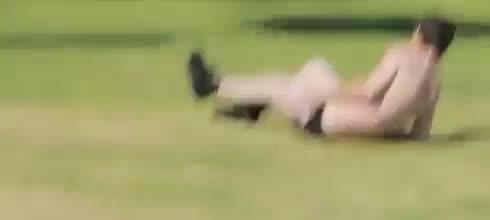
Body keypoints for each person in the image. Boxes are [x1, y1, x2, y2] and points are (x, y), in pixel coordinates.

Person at [187, 17, 456, 140]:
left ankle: (213, 86)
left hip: (327, 121)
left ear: (419, 35)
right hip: (360, 126)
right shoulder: (435, 82)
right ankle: (248, 104)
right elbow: (420, 134)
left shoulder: (401, 54)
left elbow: (369, 92)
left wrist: (331, 90)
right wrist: (384, 130)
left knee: (306, 74)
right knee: (294, 83)